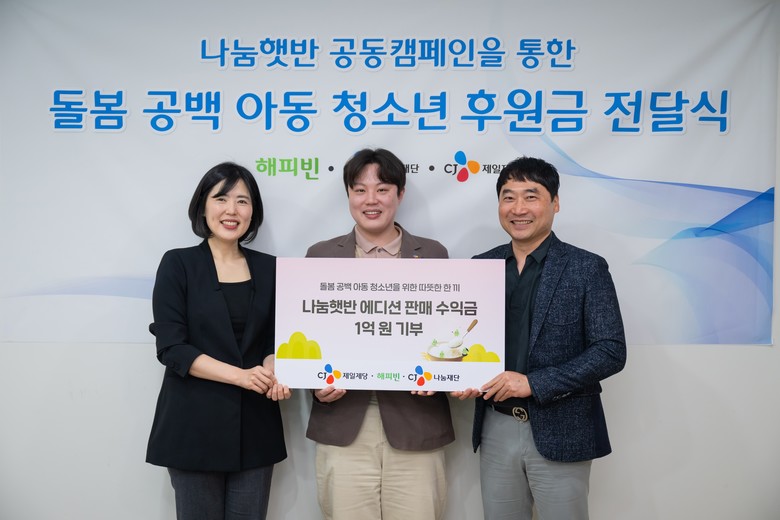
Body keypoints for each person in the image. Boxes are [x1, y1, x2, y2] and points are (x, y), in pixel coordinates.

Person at [453, 156, 627, 520]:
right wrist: (460, 376)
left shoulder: (586, 267)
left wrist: (534, 383)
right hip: (495, 425)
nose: (518, 209)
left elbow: (610, 350)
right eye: (508, 197)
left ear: (555, 202)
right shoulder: (480, 266)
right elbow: (464, 340)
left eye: (531, 196)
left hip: (561, 426)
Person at [305, 148, 455, 520]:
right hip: (343, 422)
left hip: (416, 422)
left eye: (382, 189)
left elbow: (448, 336)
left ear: (400, 194)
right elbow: (305, 337)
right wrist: (314, 384)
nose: (370, 200)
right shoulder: (320, 256)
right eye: (360, 190)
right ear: (349, 195)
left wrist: (444, 372)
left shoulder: (433, 254)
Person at [146, 162, 290, 520]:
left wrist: (273, 366)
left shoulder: (271, 268)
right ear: (203, 206)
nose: (231, 210)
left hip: (256, 426)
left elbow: (277, 339)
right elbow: (172, 347)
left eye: (242, 201)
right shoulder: (178, 264)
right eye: (221, 198)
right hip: (193, 425)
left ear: (253, 211)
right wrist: (242, 376)